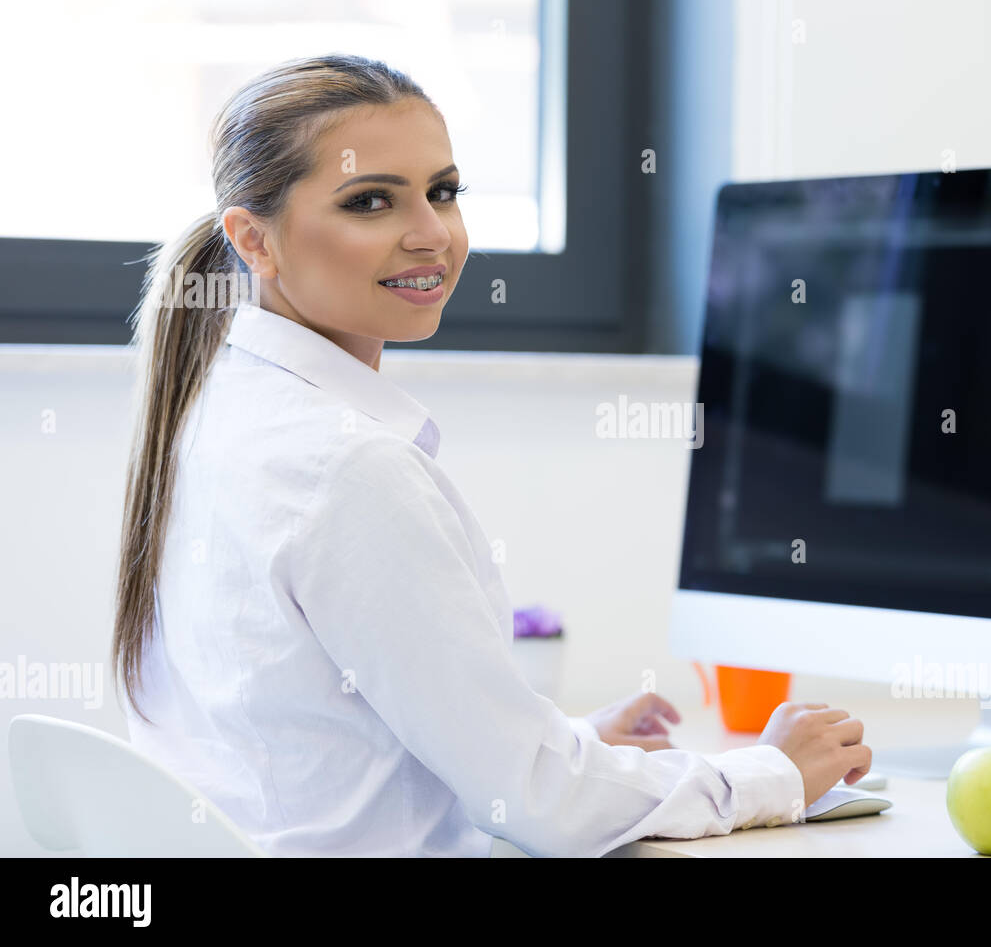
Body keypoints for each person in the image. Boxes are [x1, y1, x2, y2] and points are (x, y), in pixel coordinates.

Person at [112, 53, 872, 857]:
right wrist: (772, 774)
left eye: (443, 192)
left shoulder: (217, 414)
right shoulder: (346, 469)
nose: (431, 235)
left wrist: (551, 743)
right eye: (370, 202)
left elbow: (322, 740)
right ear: (252, 240)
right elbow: (538, 807)